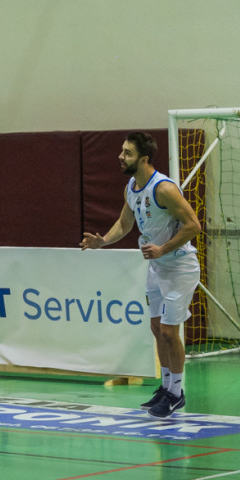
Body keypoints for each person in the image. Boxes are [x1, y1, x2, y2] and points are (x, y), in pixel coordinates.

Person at [80, 131, 202, 419]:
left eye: (127, 153)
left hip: (179, 267)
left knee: (170, 332)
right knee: (157, 329)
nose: (120, 157)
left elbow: (193, 225)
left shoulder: (164, 189)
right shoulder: (132, 187)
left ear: (144, 159)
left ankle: (177, 393)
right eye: (122, 151)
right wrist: (102, 241)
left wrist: (163, 248)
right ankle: (166, 387)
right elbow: (124, 224)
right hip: (157, 267)